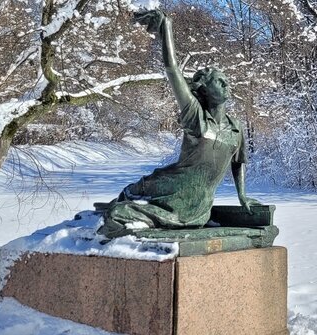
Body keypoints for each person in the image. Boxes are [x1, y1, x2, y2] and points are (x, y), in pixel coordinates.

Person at [97, 9, 259, 239]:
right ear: (203, 88)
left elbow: (238, 162)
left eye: (227, 81)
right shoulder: (196, 117)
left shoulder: (236, 128)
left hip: (195, 207)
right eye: (219, 81)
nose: (227, 85)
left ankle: (121, 221)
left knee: (118, 214)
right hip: (168, 185)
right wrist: (167, 28)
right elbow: (173, 70)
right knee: (124, 201)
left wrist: (242, 195)